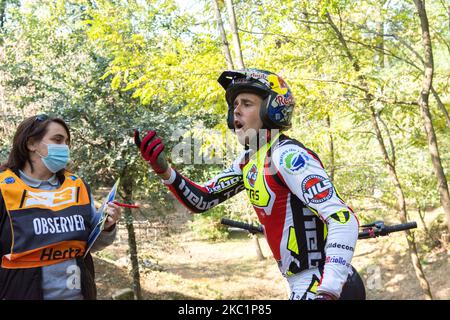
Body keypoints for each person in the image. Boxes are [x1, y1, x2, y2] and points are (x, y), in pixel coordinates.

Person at [135, 69, 361, 300]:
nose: (236, 109)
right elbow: (203, 200)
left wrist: (329, 291)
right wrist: (165, 171)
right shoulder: (249, 161)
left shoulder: (288, 156)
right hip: (305, 283)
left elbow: (343, 219)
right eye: (234, 104)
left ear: (271, 110)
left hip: (321, 284)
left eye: (247, 103)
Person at [0, 114, 121, 300]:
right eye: (57, 140)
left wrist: (107, 227)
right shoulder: (4, 188)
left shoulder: (76, 185)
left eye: (67, 142)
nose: (64, 147)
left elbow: (89, 245)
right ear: (31, 143)